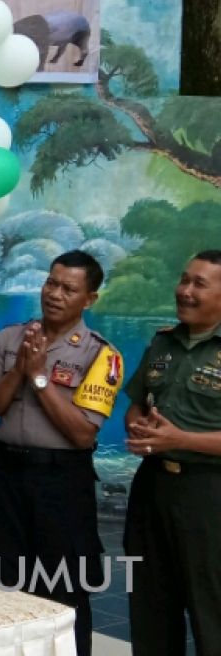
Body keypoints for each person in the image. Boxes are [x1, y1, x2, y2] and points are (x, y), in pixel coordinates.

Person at [0, 250, 122, 656]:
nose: (55, 294)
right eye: (51, 283)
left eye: (68, 289)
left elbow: (82, 434)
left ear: (89, 299)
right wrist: (18, 370)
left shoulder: (101, 355)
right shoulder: (9, 339)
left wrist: (39, 377)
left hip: (61, 484)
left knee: (64, 591)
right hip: (9, 478)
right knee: (7, 583)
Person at [123, 251, 221, 656]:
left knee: (211, 615)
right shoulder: (163, 342)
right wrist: (138, 425)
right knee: (150, 611)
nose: (185, 290)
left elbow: (179, 435)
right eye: (184, 280)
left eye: (199, 283)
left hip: (209, 497)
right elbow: (137, 403)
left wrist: (179, 439)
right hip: (152, 491)